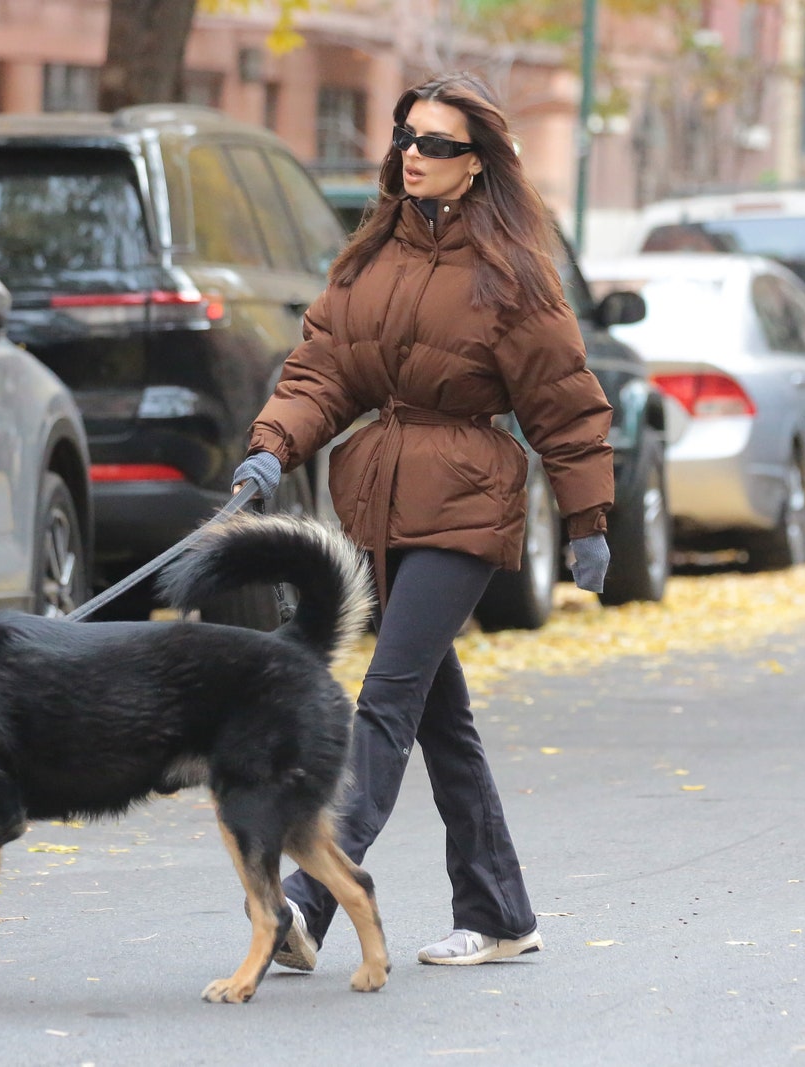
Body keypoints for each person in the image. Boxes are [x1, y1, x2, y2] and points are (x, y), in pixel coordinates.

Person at [230, 70, 614, 968]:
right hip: (381, 499)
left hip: (466, 501)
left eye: (437, 144)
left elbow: (564, 402)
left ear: (476, 165)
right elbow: (324, 367)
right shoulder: (373, 256)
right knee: (442, 719)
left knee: (387, 699)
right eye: (406, 135)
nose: (414, 154)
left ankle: (309, 896)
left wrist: (587, 520)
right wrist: (272, 444)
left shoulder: (512, 275)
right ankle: (502, 911)